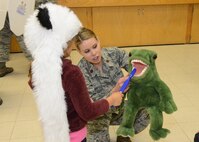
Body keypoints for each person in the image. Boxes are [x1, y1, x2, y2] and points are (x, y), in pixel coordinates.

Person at [24, 3, 127, 142]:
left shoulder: (37, 66)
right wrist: (111, 100)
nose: (73, 42)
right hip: (74, 133)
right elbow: (87, 112)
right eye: (71, 39)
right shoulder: (71, 72)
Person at [74, 27, 150, 142]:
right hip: (98, 118)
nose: (94, 53)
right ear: (80, 52)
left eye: (95, 46)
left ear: (99, 41)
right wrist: (115, 91)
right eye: (87, 51)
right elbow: (92, 108)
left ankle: (124, 134)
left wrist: (137, 71)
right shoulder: (80, 72)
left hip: (119, 109)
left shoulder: (113, 53)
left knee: (148, 111)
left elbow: (133, 63)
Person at [0, 0, 56, 77]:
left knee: (3, 36)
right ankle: (36, 66)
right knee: (23, 34)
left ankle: (1, 66)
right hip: (18, 6)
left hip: (3, 6)